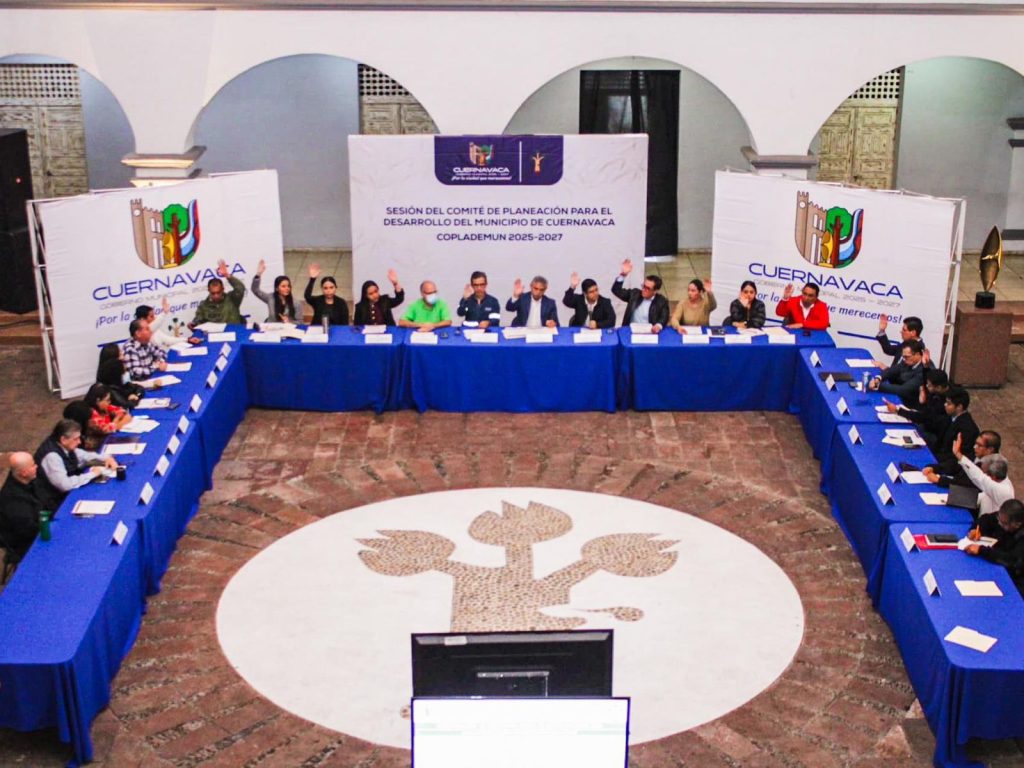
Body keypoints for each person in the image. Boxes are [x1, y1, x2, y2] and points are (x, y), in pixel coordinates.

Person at [34, 419, 118, 510]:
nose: (79, 442)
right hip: (55, 502)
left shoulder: (62, 444)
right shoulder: (52, 457)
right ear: (63, 439)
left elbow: (83, 455)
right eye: (76, 439)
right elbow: (65, 485)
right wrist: (93, 474)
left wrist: (106, 458)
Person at [963, 499, 1024, 597]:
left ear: (1017, 524)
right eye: (999, 519)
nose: (1000, 524)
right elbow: (986, 519)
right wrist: (976, 529)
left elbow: (1011, 560)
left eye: (1004, 523)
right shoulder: (1004, 518)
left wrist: (981, 550)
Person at [922, 387, 980, 481]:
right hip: (940, 455)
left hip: (948, 464)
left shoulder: (967, 429)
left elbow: (957, 457)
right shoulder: (951, 417)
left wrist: (934, 461)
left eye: (949, 404)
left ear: (959, 407)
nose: (945, 405)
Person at [882, 368, 950, 449]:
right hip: (926, 423)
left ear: (939, 387)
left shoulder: (945, 403)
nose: (926, 386)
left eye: (929, 385)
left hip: (934, 435)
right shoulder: (936, 393)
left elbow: (923, 417)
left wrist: (898, 410)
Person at [950, 432, 1013, 518]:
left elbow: (978, 477)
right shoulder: (998, 480)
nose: (983, 473)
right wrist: (954, 498)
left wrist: (959, 455)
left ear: (992, 476)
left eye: (985, 473)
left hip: (989, 524)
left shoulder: (1000, 489)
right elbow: (981, 497)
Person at [0, 452, 47, 560]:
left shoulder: (27, 481)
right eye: (33, 465)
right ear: (24, 473)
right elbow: (28, 531)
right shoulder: (13, 500)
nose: (36, 466)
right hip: (26, 545)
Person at [611, 259, 669, 331]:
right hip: (631, 330)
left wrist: (658, 326)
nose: (644, 290)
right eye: (643, 286)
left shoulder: (662, 301)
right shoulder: (634, 294)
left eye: (648, 288)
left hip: (649, 331)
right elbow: (616, 290)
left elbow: (664, 317)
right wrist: (623, 275)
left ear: (655, 291)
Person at [867, 339, 926, 406]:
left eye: (907, 357)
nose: (904, 359)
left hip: (912, 404)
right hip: (900, 394)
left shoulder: (924, 370)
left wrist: (878, 386)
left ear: (917, 354)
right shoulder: (908, 361)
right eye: (903, 356)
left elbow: (904, 389)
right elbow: (892, 370)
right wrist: (878, 378)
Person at [190, 260, 246, 327]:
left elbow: (240, 288)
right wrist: (193, 324)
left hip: (234, 331)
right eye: (213, 293)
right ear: (209, 291)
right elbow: (198, 320)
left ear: (223, 289)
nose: (216, 296)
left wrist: (227, 275)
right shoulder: (203, 306)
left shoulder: (232, 299)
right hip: (214, 333)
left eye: (218, 292)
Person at [83, 383, 131, 451]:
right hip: (96, 447)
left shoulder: (104, 407)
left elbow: (124, 413)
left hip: (108, 440)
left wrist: (116, 424)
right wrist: (117, 420)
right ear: (98, 401)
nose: (110, 402)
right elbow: (107, 430)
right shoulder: (91, 414)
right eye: (107, 400)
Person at [96, 343, 145, 410]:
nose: (123, 357)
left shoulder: (121, 380)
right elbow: (125, 405)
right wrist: (133, 399)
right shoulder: (108, 389)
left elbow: (139, 388)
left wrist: (137, 395)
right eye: (120, 354)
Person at [135, 298, 200, 348]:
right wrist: (164, 313)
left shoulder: (156, 331)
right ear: (142, 319)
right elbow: (151, 327)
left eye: (154, 315)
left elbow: (168, 340)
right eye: (151, 316)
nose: (154, 318)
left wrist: (188, 340)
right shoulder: (145, 331)